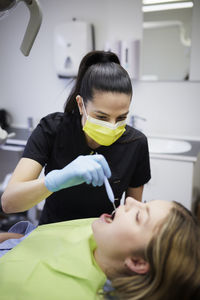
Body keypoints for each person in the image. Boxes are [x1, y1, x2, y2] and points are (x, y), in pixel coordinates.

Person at [1, 51, 151, 225]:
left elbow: (134, 215)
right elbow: (9, 203)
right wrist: (56, 180)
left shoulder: (136, 144)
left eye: (121, 118)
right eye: (102, 117)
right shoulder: (52, 129)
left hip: (101, 240)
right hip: (51, 235)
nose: (112, 125)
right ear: (81, 104)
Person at [0, 197, 200, 300]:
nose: (129, 200)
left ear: (138, 262)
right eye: (143, 203)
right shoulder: (100, 231)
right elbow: (31, 238)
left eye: (139, 216)